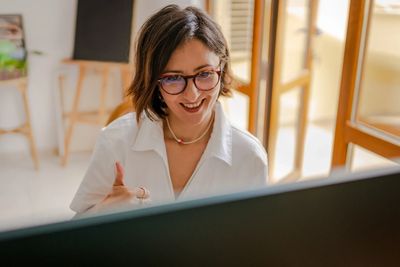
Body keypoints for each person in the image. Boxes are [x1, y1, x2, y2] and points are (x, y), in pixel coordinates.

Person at [70, 4, 268, 216]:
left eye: (204, 74)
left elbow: (253, 242)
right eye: (173, 78)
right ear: (153, 81)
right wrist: (107, 209)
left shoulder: (249, 157)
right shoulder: (116, 142)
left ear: (222, 68)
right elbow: (75, 232)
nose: (192, 95)